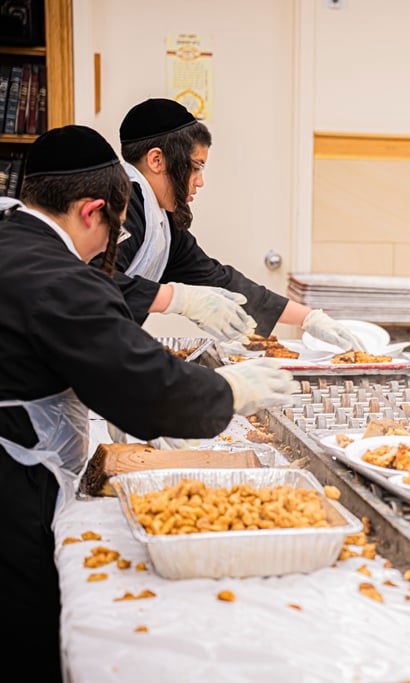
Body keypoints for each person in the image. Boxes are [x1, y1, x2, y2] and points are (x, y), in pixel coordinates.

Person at [0, 126, 296, 678]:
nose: (107, 254)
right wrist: (228, 391)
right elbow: (139, 385)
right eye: (112, 234)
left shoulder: (14, 238)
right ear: (93, 212)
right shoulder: (56, 274)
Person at [92, 98, 363, 349]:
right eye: (195, 167)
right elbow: (94, 283)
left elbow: (219, 279)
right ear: (156, 160)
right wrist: (179, 299)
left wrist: (309, 318)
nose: (199, 181)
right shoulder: (122, 200)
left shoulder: (161, 221)